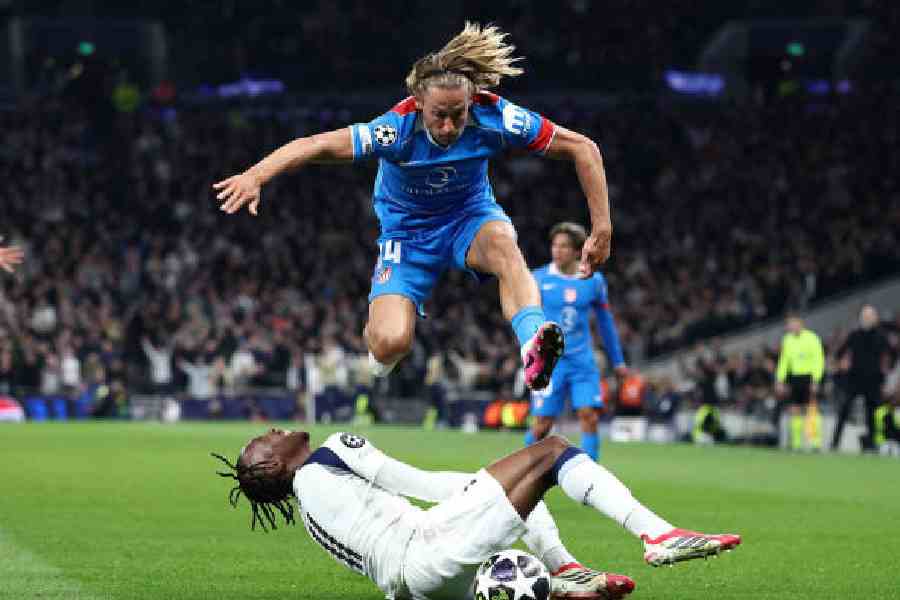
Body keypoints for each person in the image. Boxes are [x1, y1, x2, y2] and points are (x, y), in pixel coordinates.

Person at [213, 22, 615, 392]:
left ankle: (534, 344)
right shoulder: (394, 131)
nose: (447, 127)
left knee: (506, 247)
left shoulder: (497, 118)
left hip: (468, 218)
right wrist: (255, 176)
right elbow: (315, 145)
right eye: (439, 115)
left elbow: (583, 148)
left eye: (458, 115)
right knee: (391, 343)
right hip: (407, 236)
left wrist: (601, 229)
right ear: (419, 102)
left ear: (471, 101)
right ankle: (378, 352)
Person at [213, 430, 741, 600]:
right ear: (269, 463)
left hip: (414, 584)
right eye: (266, 440)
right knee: (552, 453)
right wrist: (476, 485)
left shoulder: (309, 505)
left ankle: (566, 579)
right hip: (426, 545)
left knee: (516, 501)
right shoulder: (330, 454)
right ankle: (656, 534)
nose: (275, 431)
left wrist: (481, 491)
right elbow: (412, 482)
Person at [525, 222, 627, 459]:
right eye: (554, 245)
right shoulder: (538, 279)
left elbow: (606, 323)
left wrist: (618, 361)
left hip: (582, 362)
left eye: (563, 246)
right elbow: (525, 315)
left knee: (589, 416)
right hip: (549, 363)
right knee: (542, 424)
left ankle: (591, 479)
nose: (556, 251)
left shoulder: (593, 281)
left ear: (575, 251)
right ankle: (521, 474)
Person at [832, 305, 891, 452]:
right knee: (844, 410)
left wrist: (885, 371)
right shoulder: (854, 335)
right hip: (854, 379)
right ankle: (834, 443)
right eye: (865, 316)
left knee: (871, 413)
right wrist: (841, 363)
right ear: (861, 318)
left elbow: (891, 355)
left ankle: (871, 445)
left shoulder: (881, 336)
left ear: (875, 318)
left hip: (873, 380)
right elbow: (840, 353)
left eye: (870, 316)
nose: (867, 319)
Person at [775, 315, 825, 451]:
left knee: (812, 410)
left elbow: (818, 359)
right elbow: (784, 361)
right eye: (789, 324)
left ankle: (815, 443)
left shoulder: (812, 338)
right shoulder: (787, 340)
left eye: (793, 324)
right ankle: (797, 443)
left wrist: (816, 379)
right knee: (794, 409)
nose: (791, 327)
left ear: (800, 324)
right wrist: (780, 379)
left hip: (809, 377)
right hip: (795, 377)